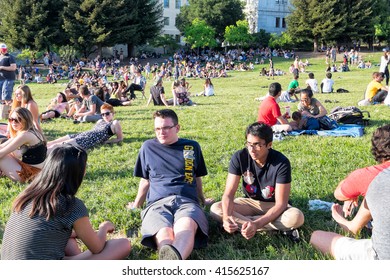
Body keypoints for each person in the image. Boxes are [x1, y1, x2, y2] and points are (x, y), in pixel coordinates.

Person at [1, 145, 131, 260]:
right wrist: (104, 228)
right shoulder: (71, 205)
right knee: (122, 245)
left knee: (68, 238)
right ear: (79, 172)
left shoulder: (27, 196)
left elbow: (45, 229)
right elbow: (97, 247)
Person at [127, 109, 209, 260]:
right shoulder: (148, 147)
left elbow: (196, 178)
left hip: (187, 201)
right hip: (157, 203)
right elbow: (145, 180)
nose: (161, 132)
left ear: (177, 128)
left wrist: (202, 199)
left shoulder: (191, 147)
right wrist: (136, 205)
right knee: (164, 231)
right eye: (157, 128)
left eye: (166, 128)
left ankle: (170, 263)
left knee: (186, 226)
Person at [210, 122, 304, 241]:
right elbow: (229, 193)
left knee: (296, 217)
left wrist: (257, 223)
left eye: (257, 145)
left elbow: (281, 204)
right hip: (249, 203)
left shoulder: (281, 163)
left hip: (273, 205)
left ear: (269, 144)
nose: (252, 149)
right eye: (249, 144)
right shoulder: (240, 157)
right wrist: (227, 217)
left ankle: (246, 225)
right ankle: (271, 228)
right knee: (216, 208)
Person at [310, 125, 390, 260]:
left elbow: (340, 195)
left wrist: (339, 215)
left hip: (381, 257)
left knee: (317, 237)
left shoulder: (374, 178)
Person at [47, 103, 123, 151]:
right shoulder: (100, 121)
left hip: (88, 140)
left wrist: (107, 142)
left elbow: (120, 138)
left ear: (112, 113)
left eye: (107, 113)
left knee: (57, 146)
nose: (105, 116)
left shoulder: (114, 123)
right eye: (102, 114)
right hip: (83, 134)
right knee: (52, 142)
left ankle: (40, 156)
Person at [0, 107, 46, 183]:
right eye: (11, 119)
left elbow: (2, 153)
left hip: (30, 175)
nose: (13, 123)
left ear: (26, 120)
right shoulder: (29, 130)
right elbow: (2, 146)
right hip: (35, 171)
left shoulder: (25, 135)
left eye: (18, 120)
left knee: (2, 157)